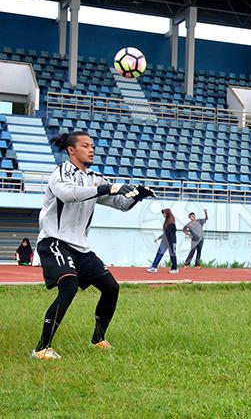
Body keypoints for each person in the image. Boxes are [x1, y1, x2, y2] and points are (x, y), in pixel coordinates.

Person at [32, 131, 154, 360]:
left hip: (81, 248)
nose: (91, 149)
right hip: (54, 241)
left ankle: (97, 340)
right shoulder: (60, 173)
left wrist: (137, 196)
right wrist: (105, 189)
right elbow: (68, 194)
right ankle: (41, 348)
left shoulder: (95, 178)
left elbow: (119, 203)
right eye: (85, 145)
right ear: (71, 150)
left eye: (93, 146)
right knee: (69, 286)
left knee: (111, 288)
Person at [147, 208, 179, 274]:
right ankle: (154, 267)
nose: (164, 215)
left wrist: (160, 237)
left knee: (172, 255)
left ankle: (174, 269)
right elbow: (166, 233)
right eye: (163, 214)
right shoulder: (167, 221)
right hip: (165, 241)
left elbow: (167, 232)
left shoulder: (171, 222)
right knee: (159, 253)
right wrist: (159, 238)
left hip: (171, 241)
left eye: (164, 213)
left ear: (168, 213)